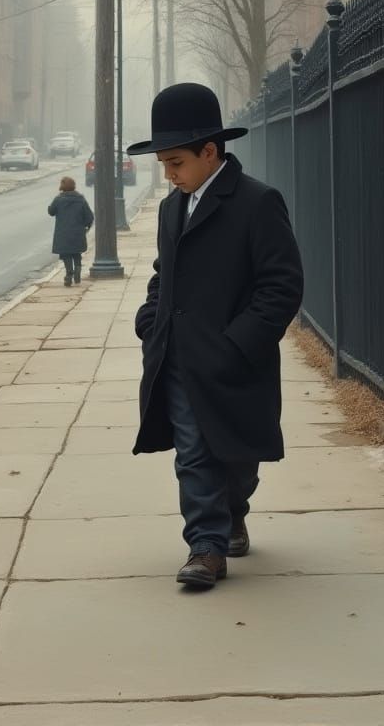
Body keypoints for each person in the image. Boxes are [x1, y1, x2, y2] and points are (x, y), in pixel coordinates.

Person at [128, 83, 304, 589]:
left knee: (236, 456)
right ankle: (205, 545)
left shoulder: (257, 203)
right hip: (179, 358)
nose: (169, 173)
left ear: (210, 151)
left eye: (176, 162)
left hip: (233, 361)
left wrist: (237, 345)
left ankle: (232, 512)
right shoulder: (171, 207)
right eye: (163, 164)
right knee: (194, 451)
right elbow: (166, 272)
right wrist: (150, 318)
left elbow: (282, 284)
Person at [47, 176, 94, 286]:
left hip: (63, 233)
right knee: (76, 253)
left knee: (66, 254)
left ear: (62, 186)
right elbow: (89, 217)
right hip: (78, 231)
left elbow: (51, 211)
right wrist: (86, 227)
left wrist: (51, 206)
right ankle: (77, 272)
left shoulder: (58, 199)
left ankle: (69, 274)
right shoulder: (81, 199)